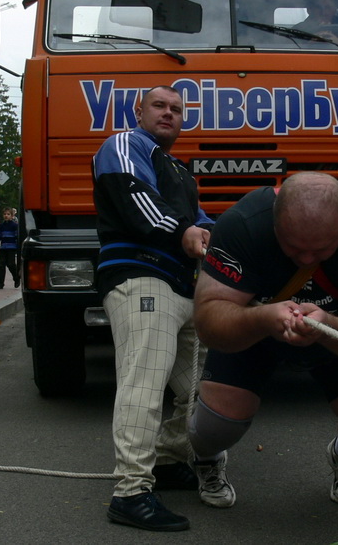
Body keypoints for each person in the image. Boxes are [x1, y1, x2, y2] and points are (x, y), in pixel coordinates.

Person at [188, 172, 338, 511]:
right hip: (255, 329)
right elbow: (208, 321)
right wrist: (263, 318)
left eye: (321, 249)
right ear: (275, 226)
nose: (306, 259)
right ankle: (206, 458)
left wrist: (328, 326)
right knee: (215, 427)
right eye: (293, 247)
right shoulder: (242, 223)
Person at [93, 85, 214, 532]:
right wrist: (185, 232)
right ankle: (130, 492)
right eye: (159, 106)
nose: (168, 113)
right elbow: (137, 199)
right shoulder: (125, 144)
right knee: (143, 382)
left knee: (199, 386)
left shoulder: (179, 170)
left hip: (181, 286)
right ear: (138, 111)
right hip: (141, 274)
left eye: (176, 109)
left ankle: (166, 460)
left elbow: (202, 223)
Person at [0, 207, 20, 289]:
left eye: (8, 214)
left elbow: (17, 237)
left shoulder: (14, 226)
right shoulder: (1, 226)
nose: (6, 216)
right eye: (5, 214)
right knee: (1, 265)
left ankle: (16, 277)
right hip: (3, 248)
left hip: (11, 248)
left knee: (11, 264)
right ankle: (0, 283)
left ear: (12, 216)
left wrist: (18, 246)